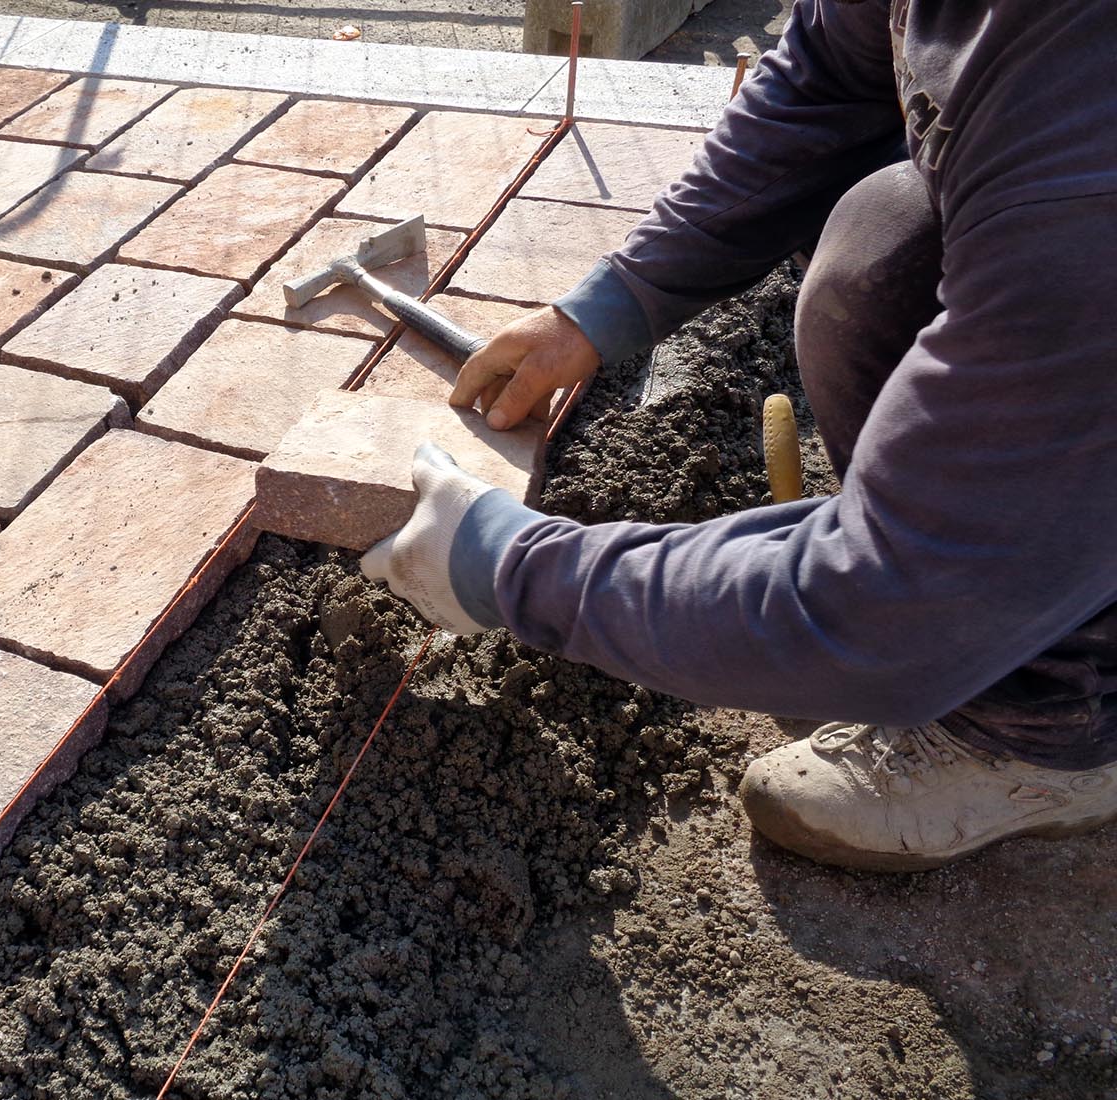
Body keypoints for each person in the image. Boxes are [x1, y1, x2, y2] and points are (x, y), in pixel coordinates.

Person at [359, 0, 1117, 871]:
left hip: (1083, 267)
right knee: (885, 241)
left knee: (941, 570)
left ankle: (1050, 732)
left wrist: (507, 569)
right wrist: (611, 304)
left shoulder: (1085, 146)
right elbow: (824, 78)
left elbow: (890, 599)